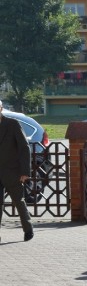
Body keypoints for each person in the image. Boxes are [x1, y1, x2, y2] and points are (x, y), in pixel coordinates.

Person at [0, 99, 34, 243]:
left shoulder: (12, 124)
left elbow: (24, 148)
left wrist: (25, 171)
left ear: (1, 109)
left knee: (18, 201)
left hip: (12, 171)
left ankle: (28, 229)